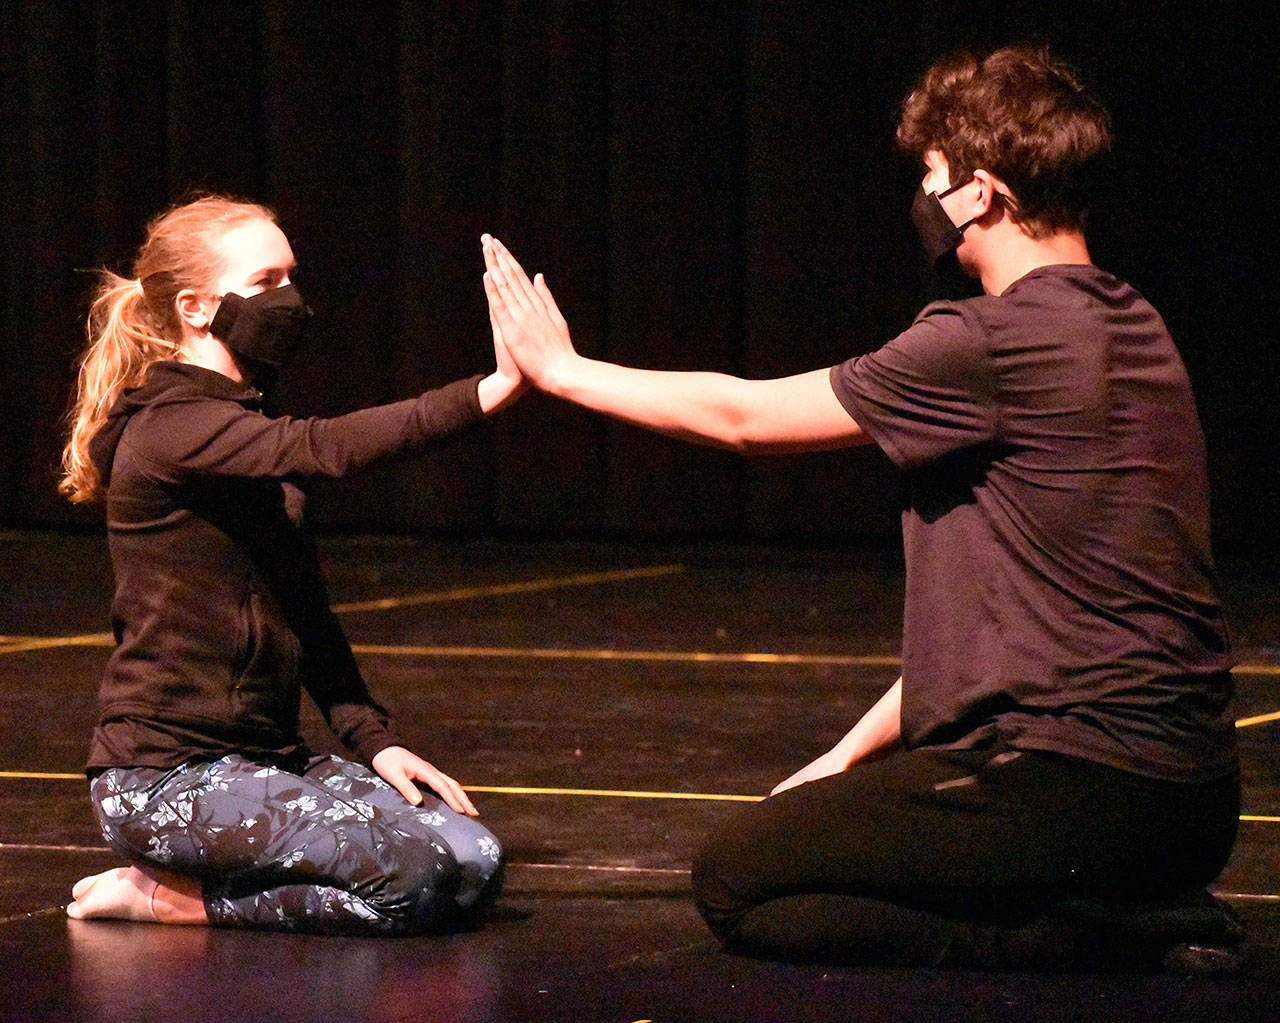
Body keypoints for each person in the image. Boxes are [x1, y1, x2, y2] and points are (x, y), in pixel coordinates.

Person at [481, 46, 1244, 971]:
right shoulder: (1137, 324)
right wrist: (846, 758)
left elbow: (746, 419)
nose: (923, 197)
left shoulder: (989, 341)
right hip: (1193, 802)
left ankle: (1087, 937)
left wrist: (566, 373)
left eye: (931, 175)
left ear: (980, 194)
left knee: (741, 880)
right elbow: (995, 633)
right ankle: (1125, 902)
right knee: (816, 828)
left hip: (1073, 783)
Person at [60, 194, 520, 934]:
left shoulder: (239, 428)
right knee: (411, 877)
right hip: (163, 776)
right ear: (196, 308)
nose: (291, 299)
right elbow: (328, 447)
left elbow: (304, 609)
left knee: (473, 860)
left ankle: (209, 877)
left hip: (268, 757)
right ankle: (164, 898)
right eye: (268, 280)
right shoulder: (170, 426)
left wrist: (378, 739)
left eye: (290, 276)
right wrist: (492, 389)